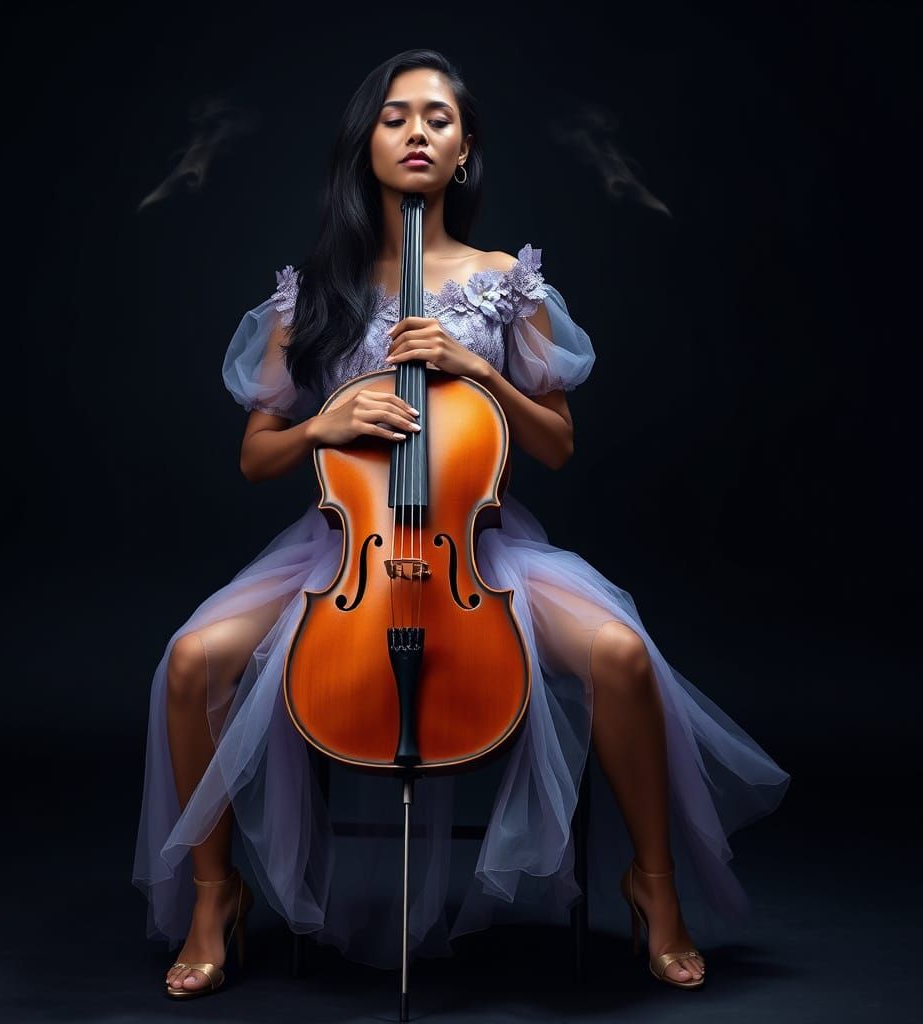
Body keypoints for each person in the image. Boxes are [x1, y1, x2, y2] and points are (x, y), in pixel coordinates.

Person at [133, 48, 790, 1001]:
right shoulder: (314, 292)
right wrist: (324, 422)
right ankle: (212, 896)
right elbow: (257, 457)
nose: (416, 134)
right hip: (343, 552)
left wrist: (480, 373)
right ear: (367, 146)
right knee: (193, 659)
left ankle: (653, 889)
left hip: (479, 551)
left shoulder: (505, 283)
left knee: (622, 656)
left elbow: (557, 446)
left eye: (437, 119)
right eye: (396, 117)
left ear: (465, 149)